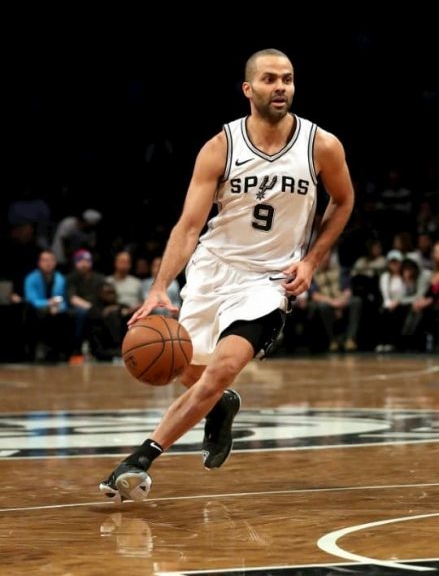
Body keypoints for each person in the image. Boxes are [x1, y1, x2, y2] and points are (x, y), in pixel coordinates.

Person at [99, 48, 355, 502]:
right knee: (186, 371)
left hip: (269, 282)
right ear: (248, 88)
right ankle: (221, 406)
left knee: (219, 372)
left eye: (288, 79)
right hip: (211, 270)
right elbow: (189, 226)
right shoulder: (221, 147)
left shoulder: (322, 145)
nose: (281, 87)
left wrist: (312, 260)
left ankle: (140, 460)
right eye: (271, 79)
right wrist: (160, 286)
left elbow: (344, 201)